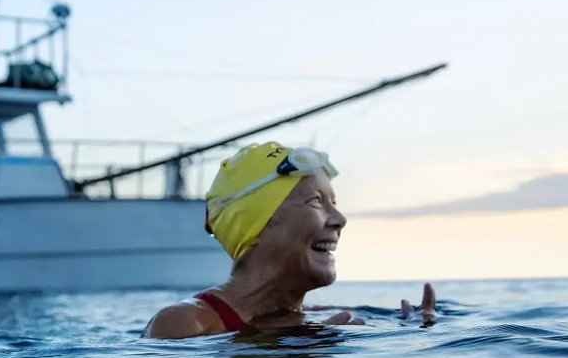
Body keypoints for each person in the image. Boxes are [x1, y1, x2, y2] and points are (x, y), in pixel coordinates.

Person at [144, 142, 437, 339]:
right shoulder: (184, 324)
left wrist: (415, 328)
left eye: (333, 202)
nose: (340, 219)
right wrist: (297, 348)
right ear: (256, 226)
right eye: (316, 201)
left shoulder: (319, 316)